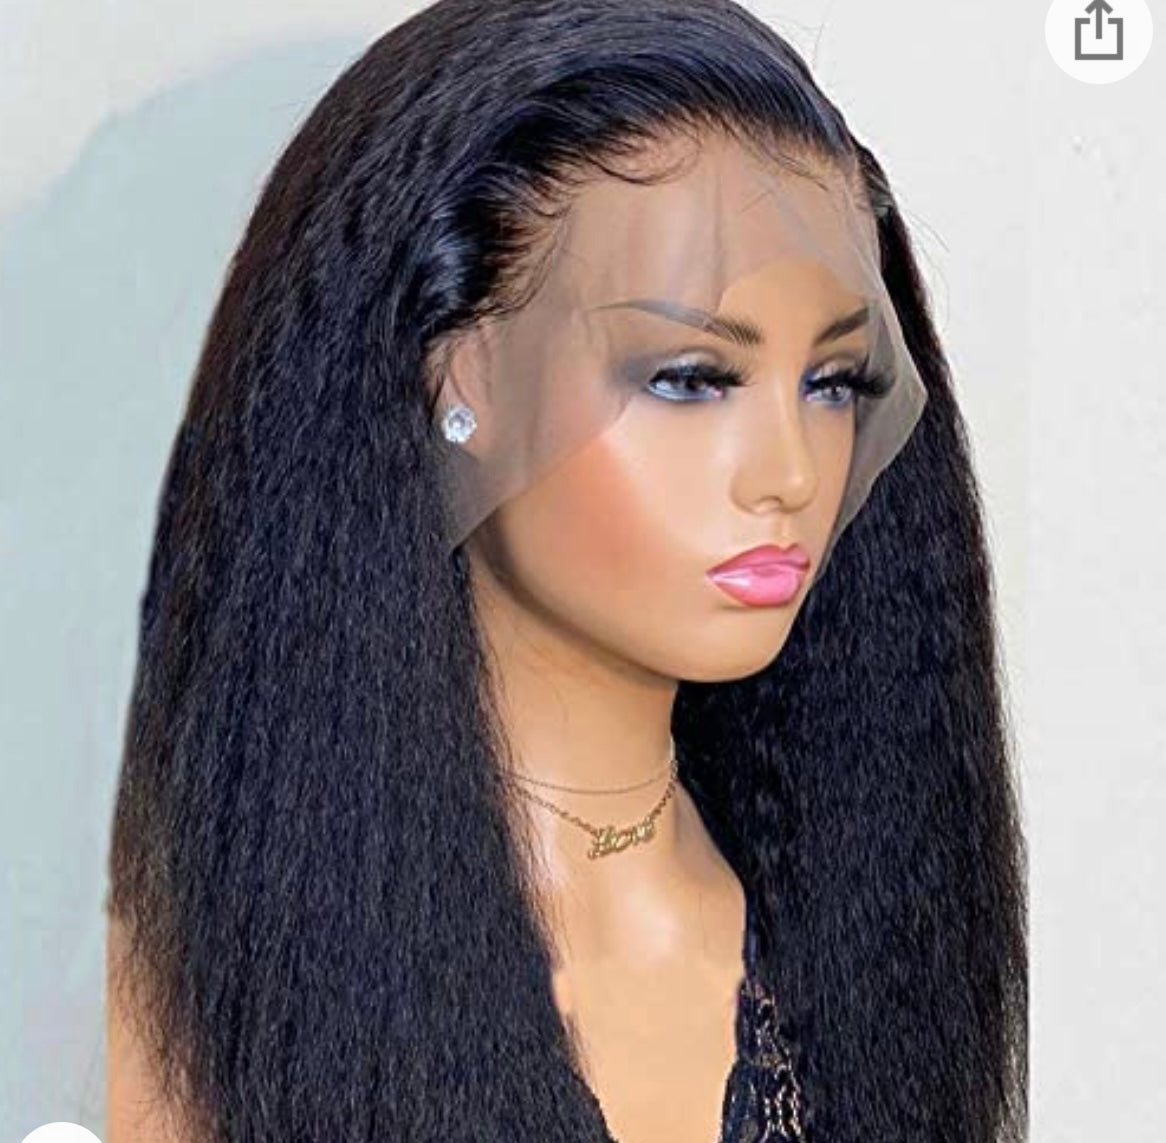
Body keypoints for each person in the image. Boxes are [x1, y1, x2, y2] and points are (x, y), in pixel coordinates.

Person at [104, 2, 1028, 1142]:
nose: (790, 473)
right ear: (460, 377)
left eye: (831, 382)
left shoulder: (868, 940)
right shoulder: (190, 996)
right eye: (691, 378)